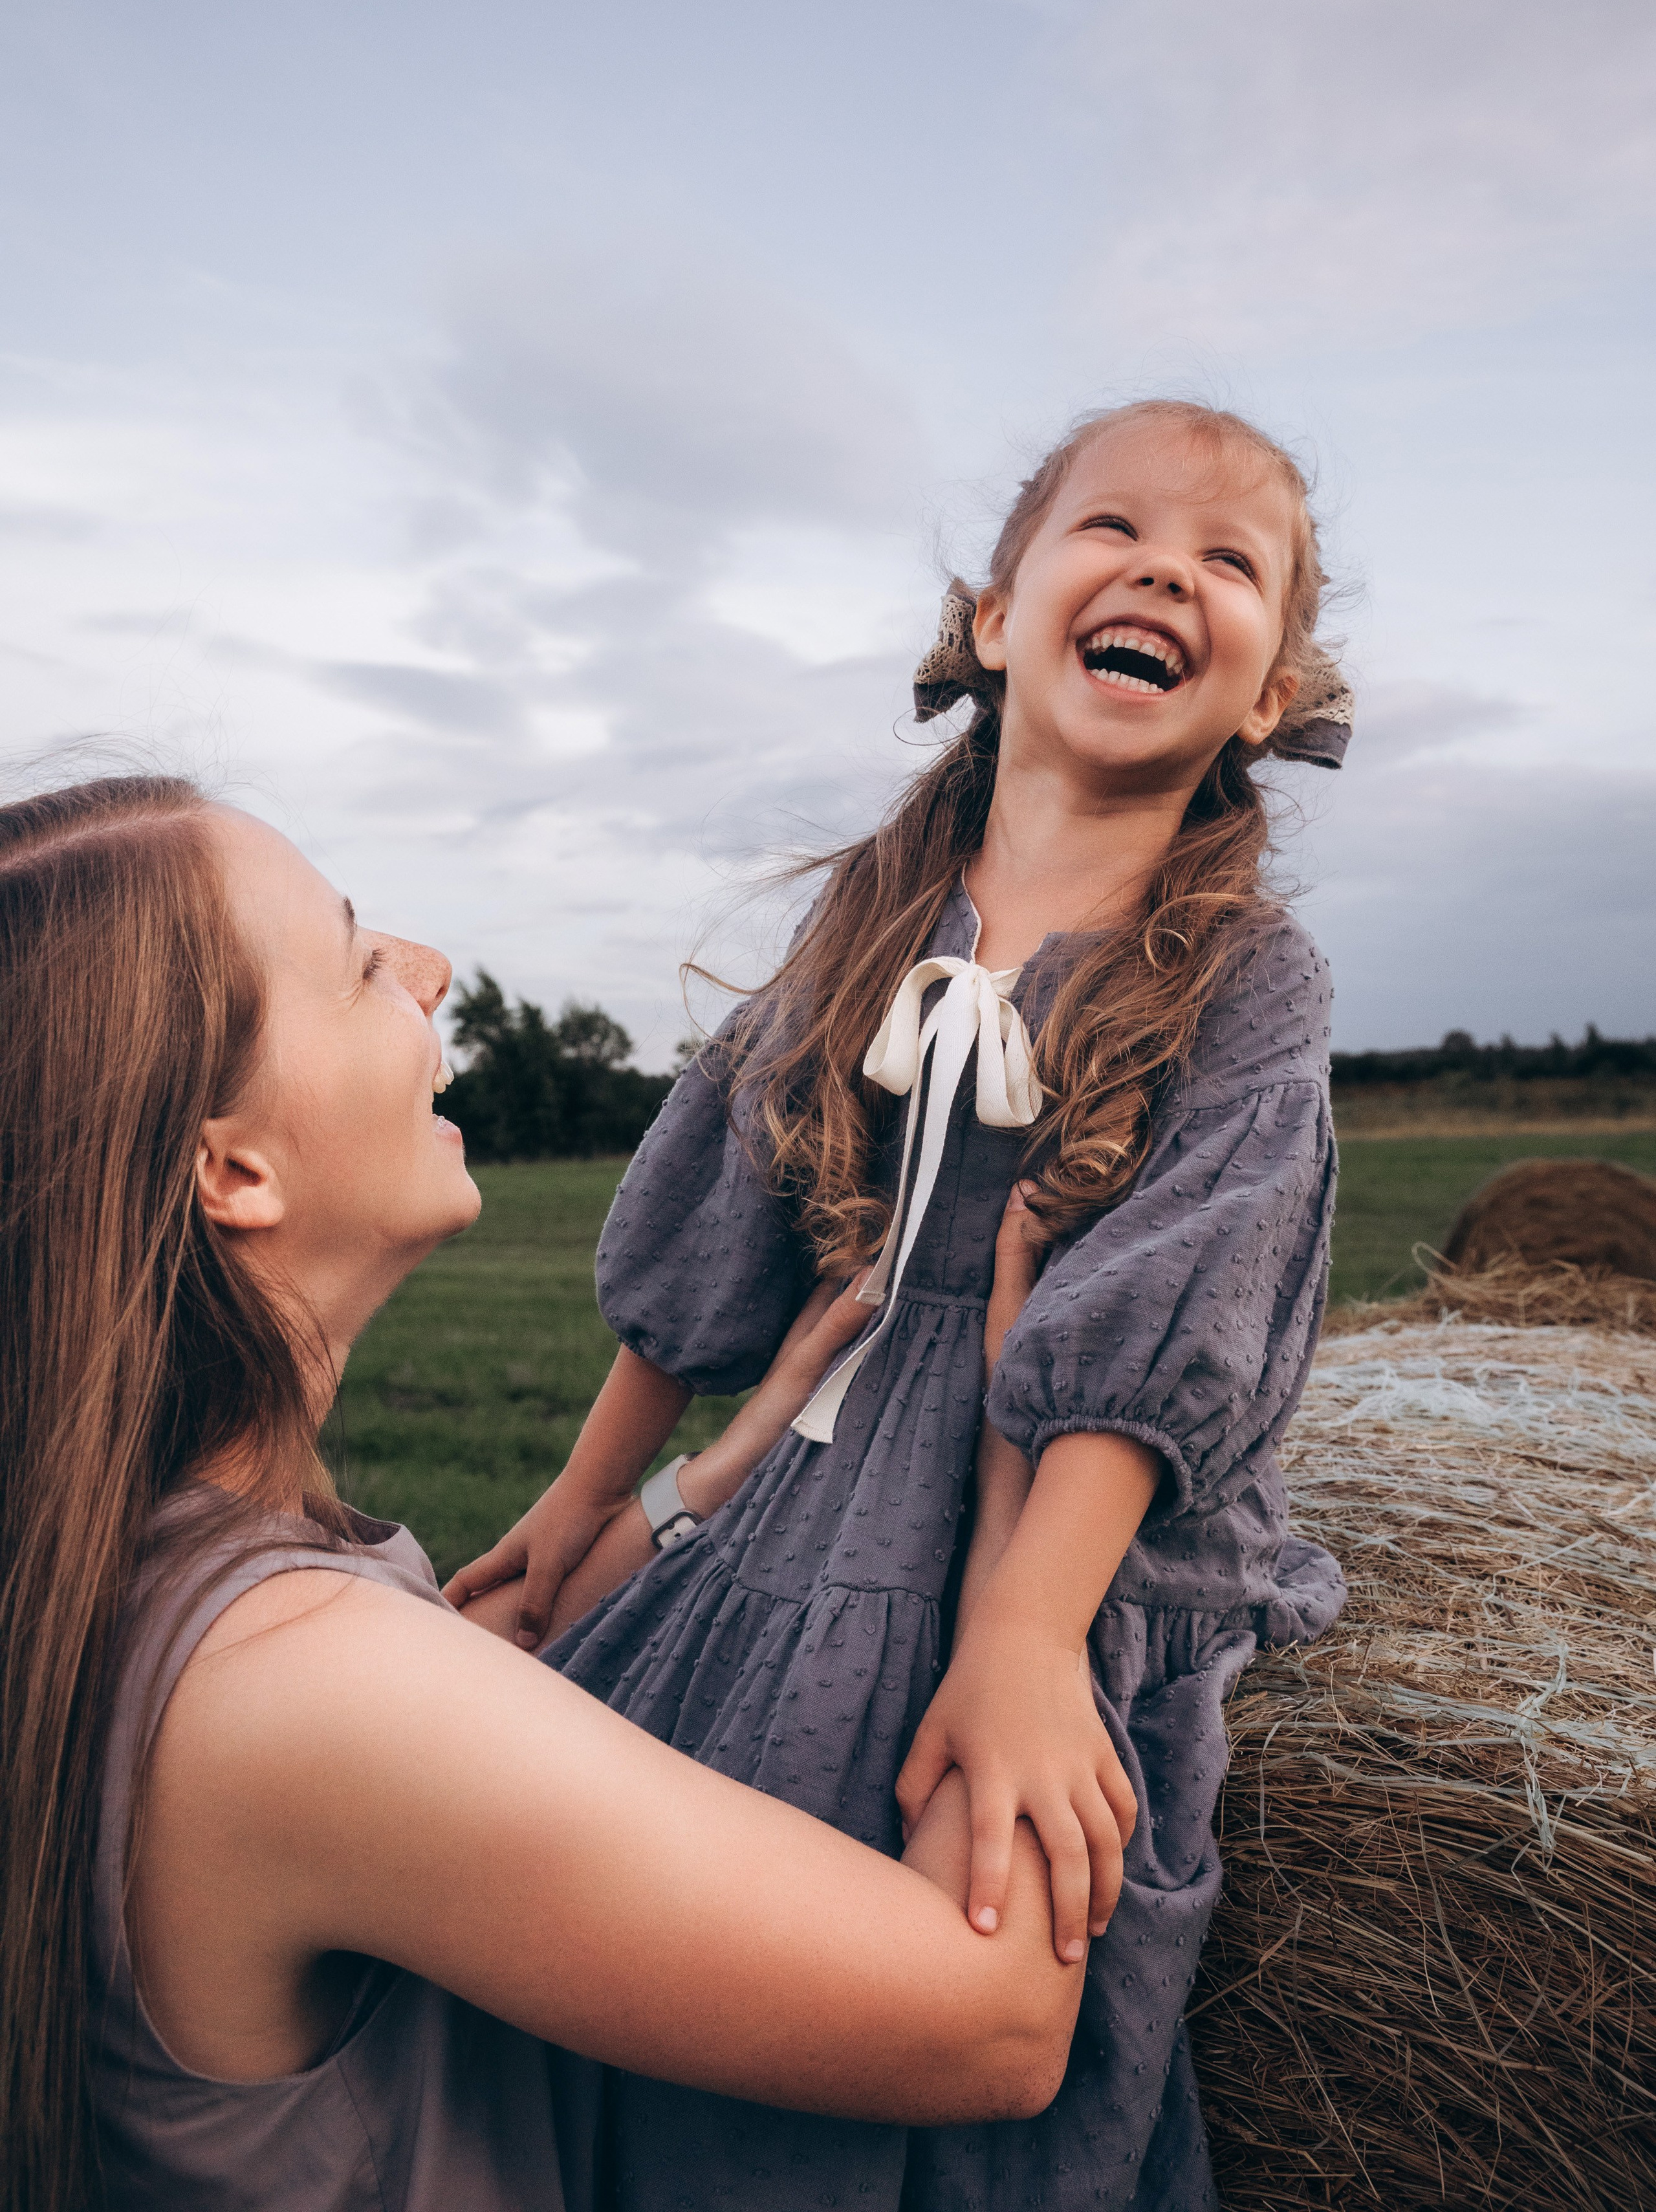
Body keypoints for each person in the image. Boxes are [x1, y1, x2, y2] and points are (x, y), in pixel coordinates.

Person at [447, 399, 1355, 2211]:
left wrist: (1024, 1642)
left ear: (1264, 699)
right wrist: (579, 1499)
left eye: (1228, 560)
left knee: (980, 1916)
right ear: (995, 622)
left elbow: (1170, 1310)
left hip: (1057, 1536)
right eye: (1111, 529)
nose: (1165, 564)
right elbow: (718, 1217)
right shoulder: (874, 928)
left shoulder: (1248, 980)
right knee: (651, 1867)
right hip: (816, 1490)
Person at [0, 776, 1087, 2212]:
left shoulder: (146, 1566)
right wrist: (1015, 1469)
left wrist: (727, 1453)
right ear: (233, 1170)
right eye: (354, 961)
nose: (429, 968)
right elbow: (991, 2021)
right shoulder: (288, 1694)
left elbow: (476, 1675)